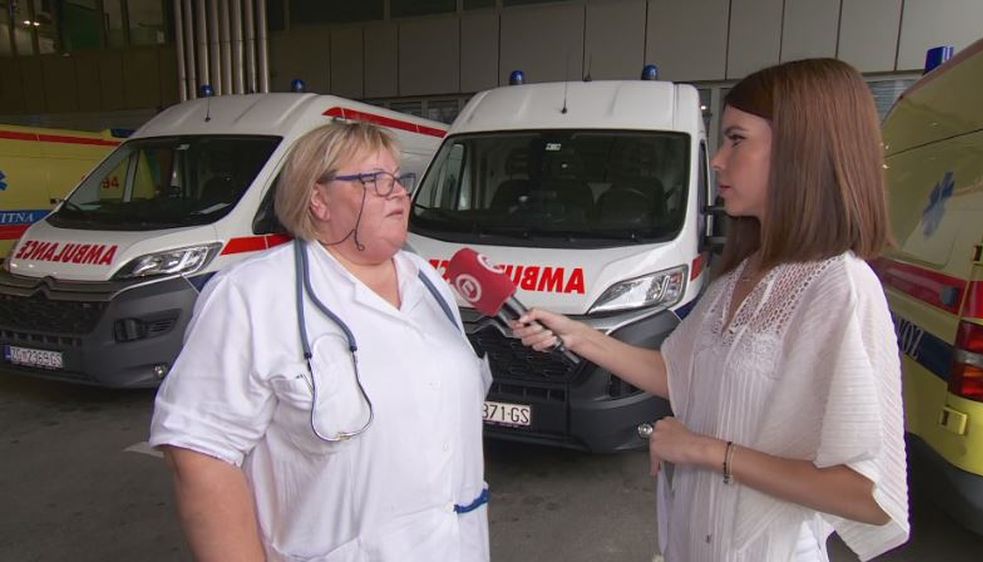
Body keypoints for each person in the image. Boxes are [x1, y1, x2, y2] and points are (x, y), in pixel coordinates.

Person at [514, 58, 909, 561]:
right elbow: (679, 373)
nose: (718, 160)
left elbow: (868, 495)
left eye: (736, 139)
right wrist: (575, 333)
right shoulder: (743, 275)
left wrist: (704, 450)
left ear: (801, 152)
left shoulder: (840, 288)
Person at [149, 122, 492, 561]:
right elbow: (200, 454)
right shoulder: (252, 293)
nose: (399, 194)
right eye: (375, 180)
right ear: (318, 199)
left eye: (400, 180)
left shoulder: (426, 280)